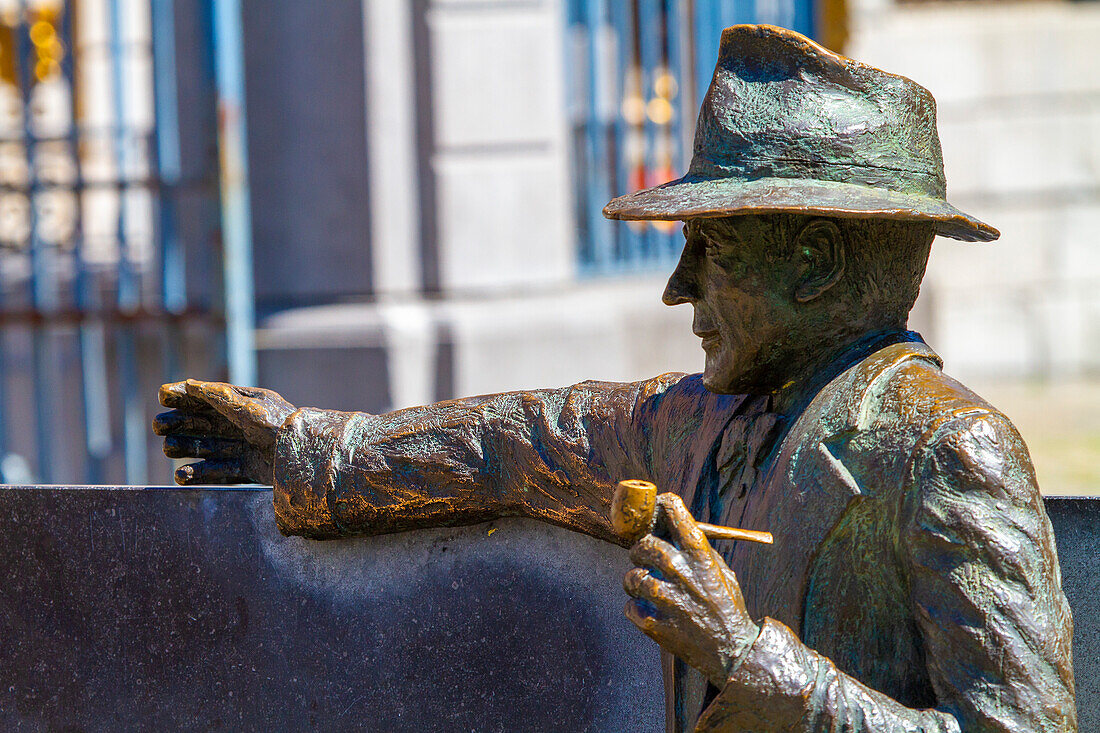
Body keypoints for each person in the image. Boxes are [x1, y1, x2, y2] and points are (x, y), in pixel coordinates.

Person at [153, 25, 1076, 732]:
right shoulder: (693, 420)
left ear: (816, 260)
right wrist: (312, 449)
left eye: (708, 247)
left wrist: (751, 662)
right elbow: (518, 443)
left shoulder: (947, 451)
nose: (678, 288)